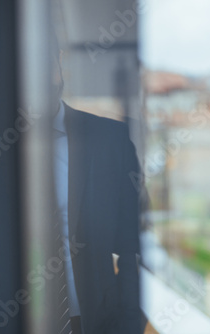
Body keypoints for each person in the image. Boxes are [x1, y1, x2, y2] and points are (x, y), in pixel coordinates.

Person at [49, 41, 143, 333]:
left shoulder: (110, 140)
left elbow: (135, 244)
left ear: (59, 61)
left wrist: (129, 322)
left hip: (97, 321)